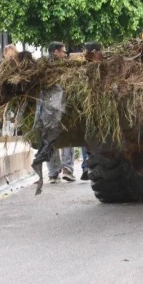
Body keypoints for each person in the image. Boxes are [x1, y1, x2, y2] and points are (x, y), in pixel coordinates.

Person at [45, 41, 76, 184]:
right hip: (60, 107)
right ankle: (66, 170)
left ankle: (53, 173)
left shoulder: (41, 67)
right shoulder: (64, 67)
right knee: (68, 137)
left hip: (46, 110)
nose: (65, 54)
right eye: (63, 52)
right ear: (56, 52)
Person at [79, 41, 103, 181]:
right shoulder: (85, 70)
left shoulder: (101, 67)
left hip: (95, 114)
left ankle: (87, 166)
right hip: (92, 114)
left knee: (89, 140)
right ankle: (87, 166)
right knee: (89, 140)